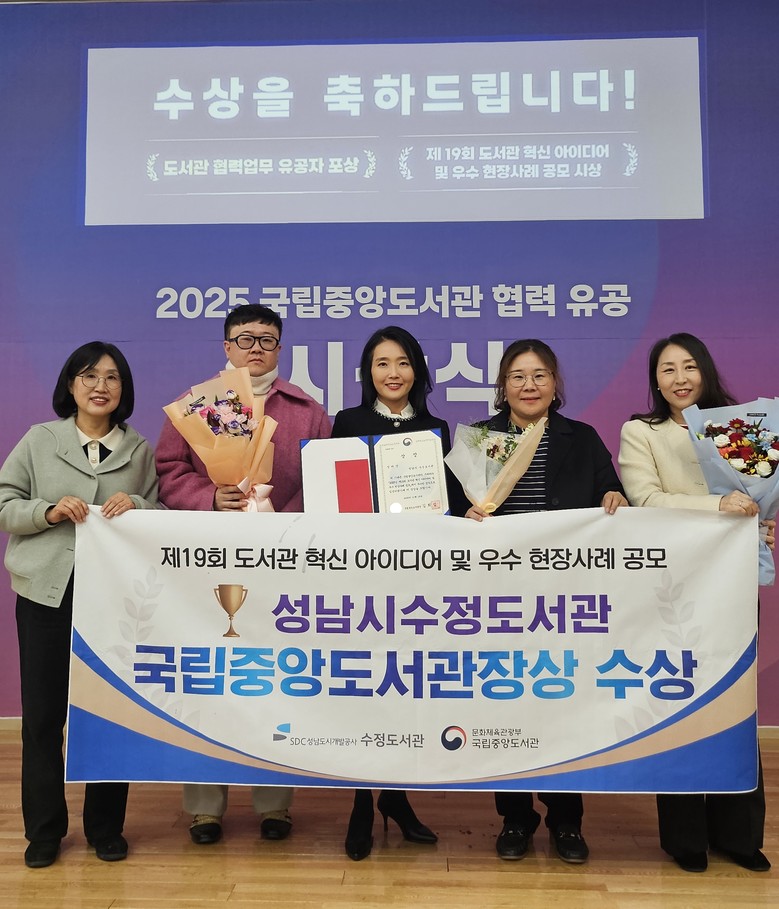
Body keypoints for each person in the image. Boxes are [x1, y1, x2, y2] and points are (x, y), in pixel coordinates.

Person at [155, 303, 331, 845]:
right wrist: (210, 497)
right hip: (208, 560)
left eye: (267, 339)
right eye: (245, 338)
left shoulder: (308, 411)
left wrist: (289, 526)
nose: (256, 348)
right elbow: (168, 471)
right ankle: (204, 807)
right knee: (209, 679)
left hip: (282, 562)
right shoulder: (198, 404)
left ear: (281, 348)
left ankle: (274, 803)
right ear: (226, 346)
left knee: (274, 678)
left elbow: (325, 484)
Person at [464, 339, 627, 865]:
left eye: (539, 375)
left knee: (562, 704)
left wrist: (615, 496)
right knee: (504, 701)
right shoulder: (481, 438)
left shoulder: (582, 438)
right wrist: (464, 517)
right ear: (502, 386)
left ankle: (566, 820)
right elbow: (449, 508)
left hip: (562, 599)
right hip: (498, 598)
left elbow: (610, 489)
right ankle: (515, 817)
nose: (529, 385)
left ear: (555, 384)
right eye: (517, 376)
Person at [618, 331, 773, 873]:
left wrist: (759, 521)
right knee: (680, 698)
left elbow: (761, 494)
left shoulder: (744, 426)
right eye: (667, 369)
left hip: (731, 579)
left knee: (736, 702)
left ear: (704, 370)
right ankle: (685, 839)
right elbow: (645, 499)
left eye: (688, 366)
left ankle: (740, 835)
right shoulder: (642, 431)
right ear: (656, 381)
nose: (680, 378)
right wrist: (720, 507)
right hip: (675, 585)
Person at [0, 341, 159, 869]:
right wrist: (46, 511)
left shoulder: (139, 449)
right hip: (46, 594)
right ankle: (44, 832)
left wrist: (137, 504)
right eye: (89, 376)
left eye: (112, 377)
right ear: (70, 385)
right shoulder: (40, 439)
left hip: (114, 599)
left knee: (111, 715)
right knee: (43, 718)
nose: (100, 386)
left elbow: (161, 511)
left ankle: (105, 829)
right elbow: (4, 502)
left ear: (123, 389)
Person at [331, 325, 449, 861]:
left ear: (417, 370)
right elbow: (333, 501)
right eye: (382, 363)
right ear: (368, 372)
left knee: (406, 688)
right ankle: (361, 800)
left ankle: (396, 797)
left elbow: (446, 505)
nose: (393, 373)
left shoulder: (437, 429)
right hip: (362, 578)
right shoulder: (347, 424)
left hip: (416, 582)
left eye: (403, 362)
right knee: (364, 689)